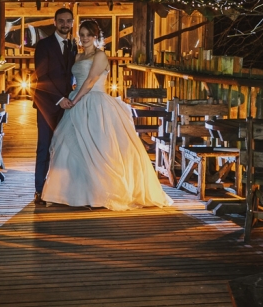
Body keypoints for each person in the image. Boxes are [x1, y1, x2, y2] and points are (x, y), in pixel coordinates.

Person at [41, 20, 173, 210]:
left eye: (89, 35)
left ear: (96, 37)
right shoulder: (77, 56)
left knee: (99, 146)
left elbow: (90, 80)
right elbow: (75, 79)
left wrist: (74, 101)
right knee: (70, 145)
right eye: (82, 34)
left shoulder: (100, 55)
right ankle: (69, 193)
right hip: (76, 99)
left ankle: (100, 193)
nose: (85, 38)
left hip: (95, 102)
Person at [32, 7, 77, 204]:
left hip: (68, 105)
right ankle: (40, 191)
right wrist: (60, 98)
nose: (65, 24)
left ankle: (60, 190)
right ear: (54, 22)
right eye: (61, 21)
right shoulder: (44, 45)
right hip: (47, 104)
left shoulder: (73, 45)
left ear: (72, 23)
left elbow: (70, 74)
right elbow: (42, 76)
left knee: (64, 148)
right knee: (44, 146)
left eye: (68, 21)